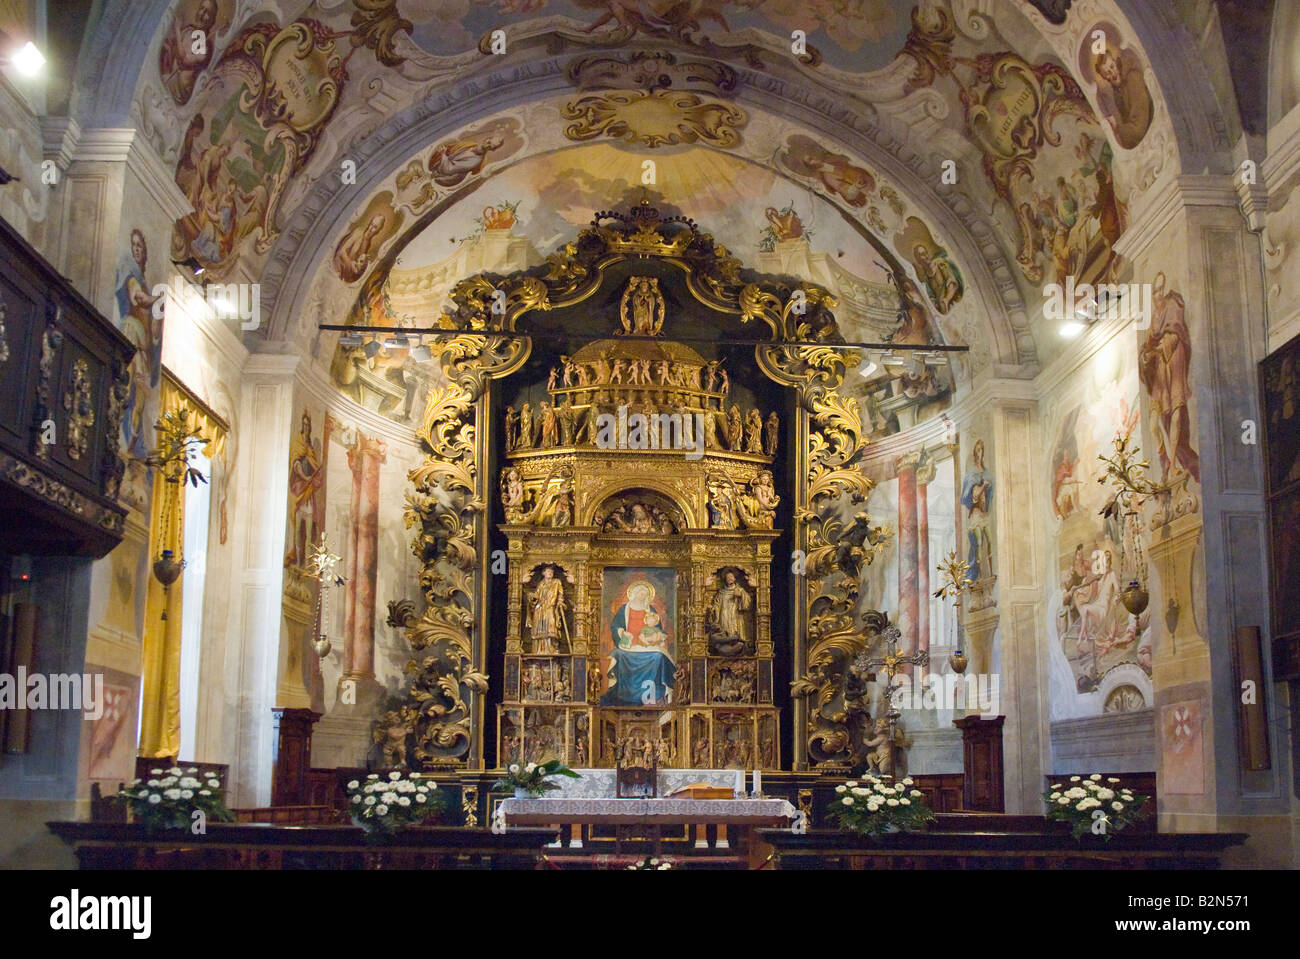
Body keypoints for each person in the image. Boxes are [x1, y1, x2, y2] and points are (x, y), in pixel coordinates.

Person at [600, 580, 675, 706]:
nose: (643, 597)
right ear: (634, 594)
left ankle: (656, 696)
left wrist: (655, 637)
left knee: (658, 656)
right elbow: (615, 626)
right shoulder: (624, 609)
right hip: (629, 644)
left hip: (646, 645)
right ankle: (621, 695)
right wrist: (622, 632)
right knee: (618, 654)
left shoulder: (650, 609)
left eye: (645, 595)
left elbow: (658, 629)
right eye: (641, 594)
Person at [527, 566, 566, 654]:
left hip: (550, 607)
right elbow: (537, 595)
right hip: (540, 608)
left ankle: (552, 648)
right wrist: (532, 596)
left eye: (551, 572)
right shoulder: (541, 584)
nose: (550, 573)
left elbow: (560, 594)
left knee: (551, 626)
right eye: (548, 571)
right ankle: (539, 650)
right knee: (539, 627)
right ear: (543, 573)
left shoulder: (556, 582)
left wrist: (560, 601)